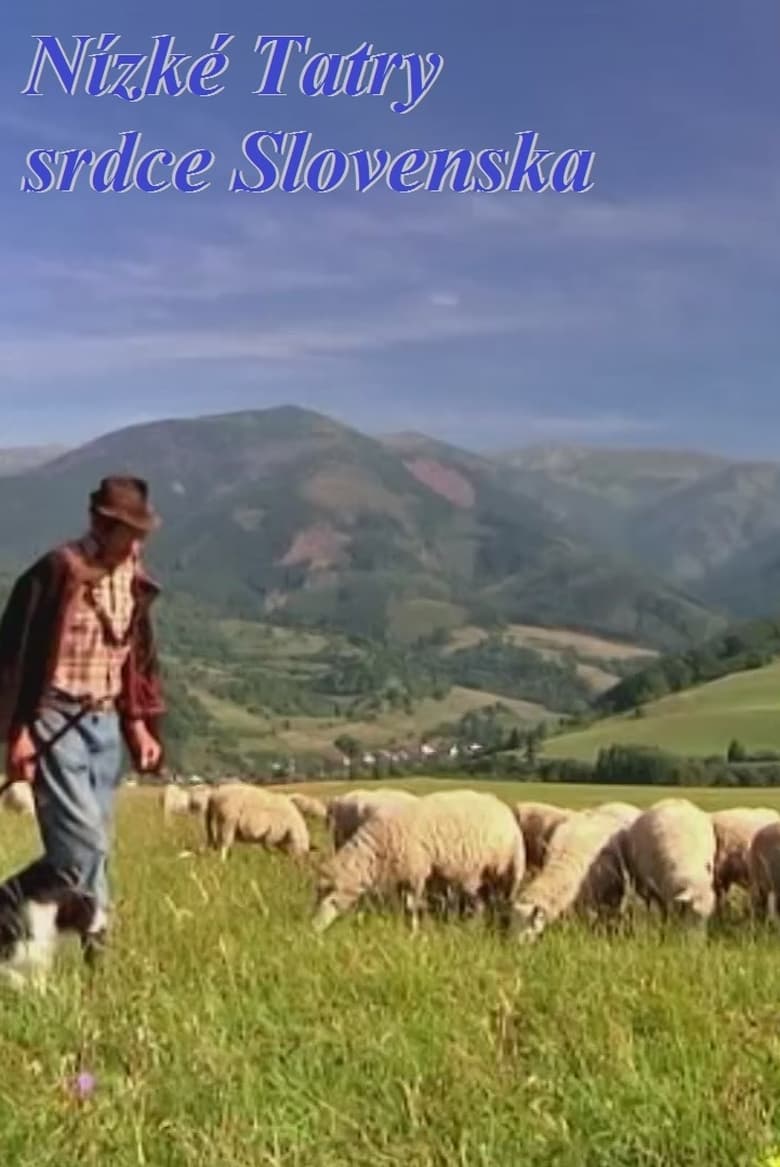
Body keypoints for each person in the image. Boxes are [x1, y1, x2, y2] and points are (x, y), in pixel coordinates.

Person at [0, 475, 165, 977]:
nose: (136, 543)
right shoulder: (56, 572)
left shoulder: (131, 576)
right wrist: (17, 732)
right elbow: (14, 656)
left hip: (105, 724)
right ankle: (11, 905)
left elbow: (134, 656)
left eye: (140, 534)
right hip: (56, 718)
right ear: (102, 524)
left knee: (95, 850)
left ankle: (98, 962)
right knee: (81, 849)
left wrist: (137, 726)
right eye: (128, 532)